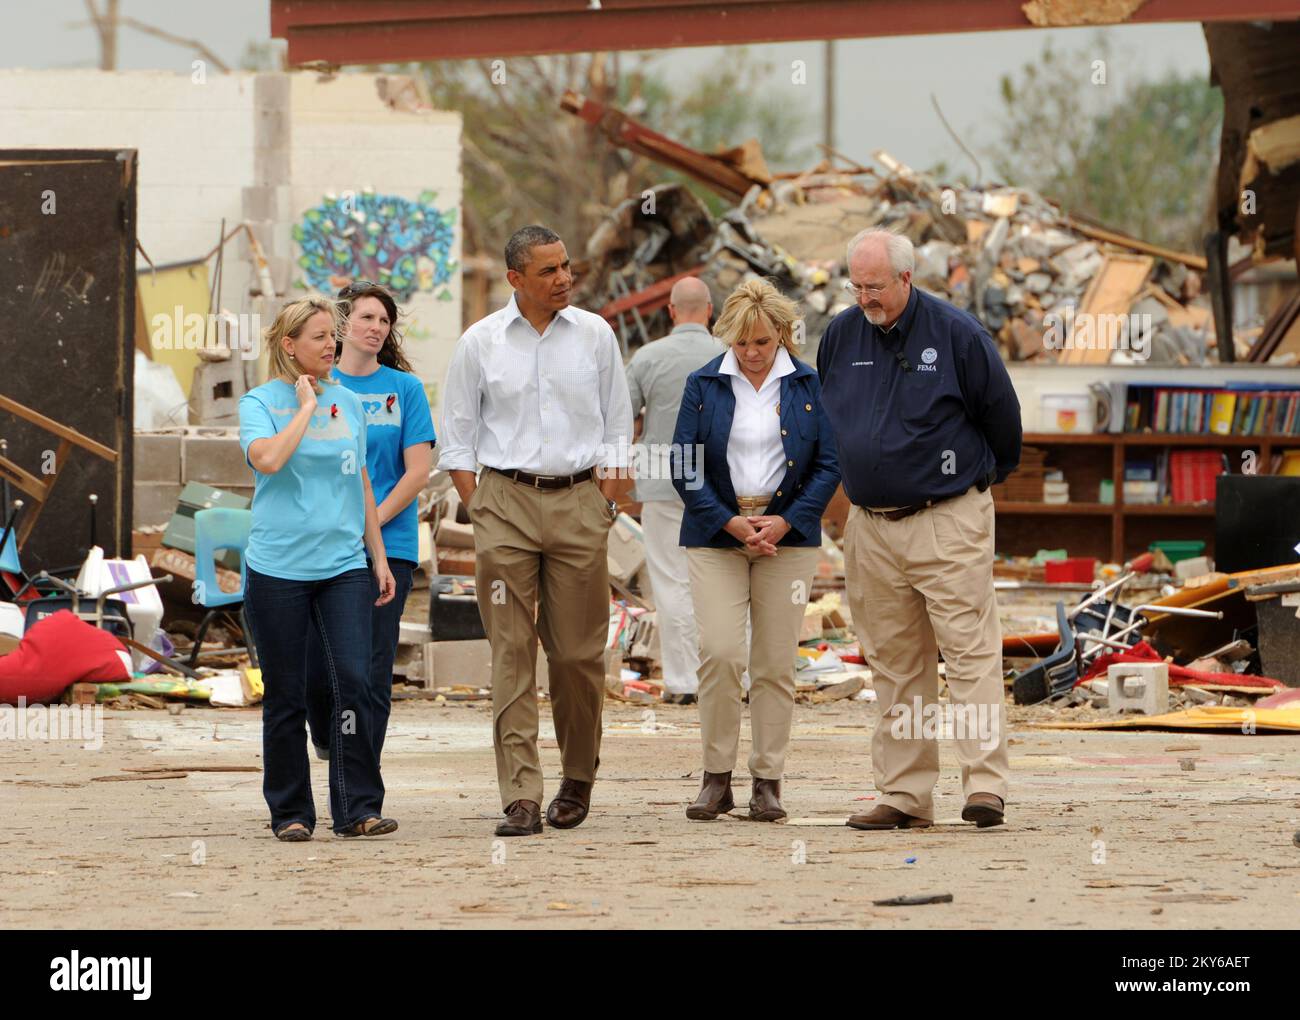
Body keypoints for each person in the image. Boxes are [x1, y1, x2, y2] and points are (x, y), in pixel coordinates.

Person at [815, 228, 1022, 831]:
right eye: (856, 286)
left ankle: (985, 787)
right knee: (895, 663)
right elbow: (831, 417)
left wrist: (971, 486)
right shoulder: (841, 333)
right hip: (871, 525)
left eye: (875, 286)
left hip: (946, 518)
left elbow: (1003, 425)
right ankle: (905, 795)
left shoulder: (957, 335)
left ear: (906, 278)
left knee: (969, 655)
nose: (865, 298)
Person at [439, 225, 633, 837]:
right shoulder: (480, 343)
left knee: (577, 655)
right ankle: (520, 793)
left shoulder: (596, 335)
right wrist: (482, 508)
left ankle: (578, 777)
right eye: (548, 271)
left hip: (579, 502)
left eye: (566, 266)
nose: (564, 279)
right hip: (506, 505)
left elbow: (619, 428)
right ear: (515, 279)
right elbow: (458, 437)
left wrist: (605, 505)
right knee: (512, 653)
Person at [671, 279, 840, 822]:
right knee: (720, 653)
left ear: (783, 337)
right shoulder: (704, 383)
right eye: (742, 342)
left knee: (773, 663)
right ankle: (715, 778)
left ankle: (767, 781)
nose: (751, 352)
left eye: (763, 342)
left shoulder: (810, 383)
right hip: (716, 534)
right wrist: (729, 523)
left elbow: (828, 465)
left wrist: (787, 521)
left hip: (786, 539)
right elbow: (684, 462)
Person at [238, 296, 398, 841]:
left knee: (353, 681)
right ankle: (291, 813)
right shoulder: (259, 403)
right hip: (278, 568)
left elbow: (362, 482)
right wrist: (305, 408)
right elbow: (268, 460)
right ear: (289, 346)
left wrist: (378, 556)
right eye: (318, 337)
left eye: (333, 335)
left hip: (342, 565)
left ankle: (357, 808)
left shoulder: (350, 403)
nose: (331, 345)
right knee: (286, 693)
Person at [305, 282, 435, 767]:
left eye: (384, 320)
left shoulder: (405, 390)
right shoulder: (317, 388)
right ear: (341, 326)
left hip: (391, 545)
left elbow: (418, 471)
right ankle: (325, 734)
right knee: (318, 666)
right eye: (366, 318)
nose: (377, 328)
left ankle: (361, 780)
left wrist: (371, 527)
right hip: (324, 547)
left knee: (372, 668)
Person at [624, 277, 724, 705]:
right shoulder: (730, 355)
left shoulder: (647, 358)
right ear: (710, 309)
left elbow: (621, 420)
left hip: (662, 482)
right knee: (724, 583)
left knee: (670, 581)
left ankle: (684, 682)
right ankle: (730, 678)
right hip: (723, 487)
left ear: (669, 310)